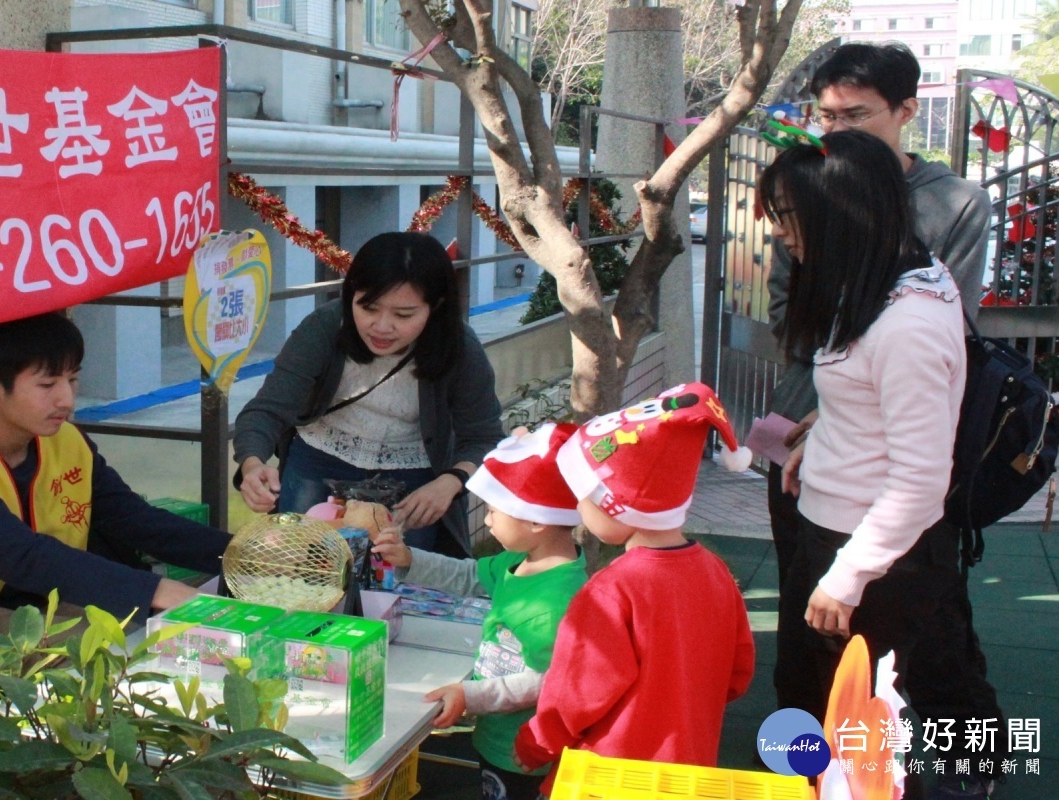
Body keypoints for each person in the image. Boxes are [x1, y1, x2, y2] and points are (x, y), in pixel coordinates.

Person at [762, 130, 1003, 799]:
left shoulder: (910, 320)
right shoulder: (868, 281)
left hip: (881, 556)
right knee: (822, 689)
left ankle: (967, 783)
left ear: (844, 216)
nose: (781, 233)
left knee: (927, 684)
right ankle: (823, 784)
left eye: (789, 215)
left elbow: (921, 480)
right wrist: (823, 429)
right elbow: (864, 396)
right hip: (834, 530)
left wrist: (847, 577)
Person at [0, 312, 230, 633]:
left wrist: (242, 555)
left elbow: (135, 520)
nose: (67, 399)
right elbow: (22, 556)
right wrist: (158, 589)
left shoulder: (67, 442)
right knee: (107, 652)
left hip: (42, 597)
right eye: (47, 385)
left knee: (155, 630)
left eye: (73, 379)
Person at [514, 383, 756, 795]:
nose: (578, 511)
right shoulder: (716, 572)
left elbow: (577, 690)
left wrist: (537, 740)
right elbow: (737, 675)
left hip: (607, 779)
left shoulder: (611, 590)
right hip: (688, 774)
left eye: (585, 500)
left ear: (617, 504)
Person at [233, 231, 503, 556]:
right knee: (303, 571)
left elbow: (483, 436)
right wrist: (252, 465)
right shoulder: (324, 327)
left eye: (403, 315)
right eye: (368, 307)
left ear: (436, 306)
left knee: (402, 583)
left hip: (414, 476)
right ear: (351, 295)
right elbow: (266, 410)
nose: (382, 326)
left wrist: (450, 481)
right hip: (318, 462)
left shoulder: (460, 348)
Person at [372, 423, 587, 800]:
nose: (486, 520)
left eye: (493, 511)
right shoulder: (521, 560)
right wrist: (409, 560)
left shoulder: (554, 603)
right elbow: (470, 576)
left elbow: (543, 684)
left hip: (523, 750)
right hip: (497, 731)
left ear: (535, 520)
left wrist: (470, 695)